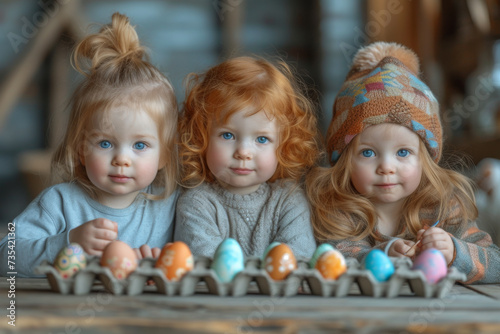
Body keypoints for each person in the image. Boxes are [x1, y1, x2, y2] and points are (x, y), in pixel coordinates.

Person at [0, 13, 179, 277]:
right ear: (81, 149)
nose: (122, 159)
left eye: (140, 145)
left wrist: (161, 263)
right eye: (105, 143)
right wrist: (67, 243)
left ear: (164, 154)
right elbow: (6, 257)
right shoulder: (60, 203)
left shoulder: (169, 206)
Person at [306, 42, 500, 283]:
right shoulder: (340, 207)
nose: (386, 167)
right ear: (344, 161)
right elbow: (334, 259)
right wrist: (381, 254)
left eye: (403, 153)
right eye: (368, 153)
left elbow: (496, 264)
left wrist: (454, 251)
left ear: (425, 159)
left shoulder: (443, 205)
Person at [174, 56, 320, 260]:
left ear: (284, 144)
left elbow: (298, 260)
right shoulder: (196, 204)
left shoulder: (289, 201)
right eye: (227, 135)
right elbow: (206, 265)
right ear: (201, 137)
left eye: (261, 139)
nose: (243, 152)